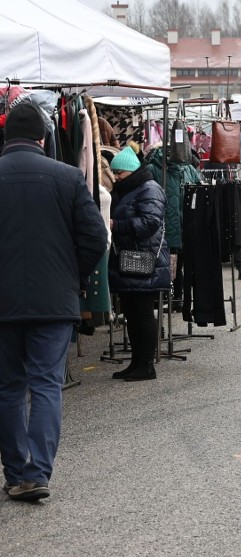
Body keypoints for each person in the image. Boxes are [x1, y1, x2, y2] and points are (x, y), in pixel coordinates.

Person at [0, 102, 108, 501]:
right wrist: (71, 275)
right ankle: (37, 472)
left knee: (8, 387)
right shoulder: (66, 177)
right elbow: (96, 237)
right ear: (44, 138)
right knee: (46, 385)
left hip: (4, 304)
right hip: (54, 301)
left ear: (6, 137)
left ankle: (14, 473)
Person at [108, 147, 171, 382]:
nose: (116, 178)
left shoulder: (149, 188)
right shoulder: (133, 188)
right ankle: (137, 362)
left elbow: (150, 223)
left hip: (143, 261)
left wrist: (117, 224)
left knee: (142, 313)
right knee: (133, 314)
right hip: (131, 260)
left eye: (119, 173)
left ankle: (145, 365)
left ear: (131, 171)